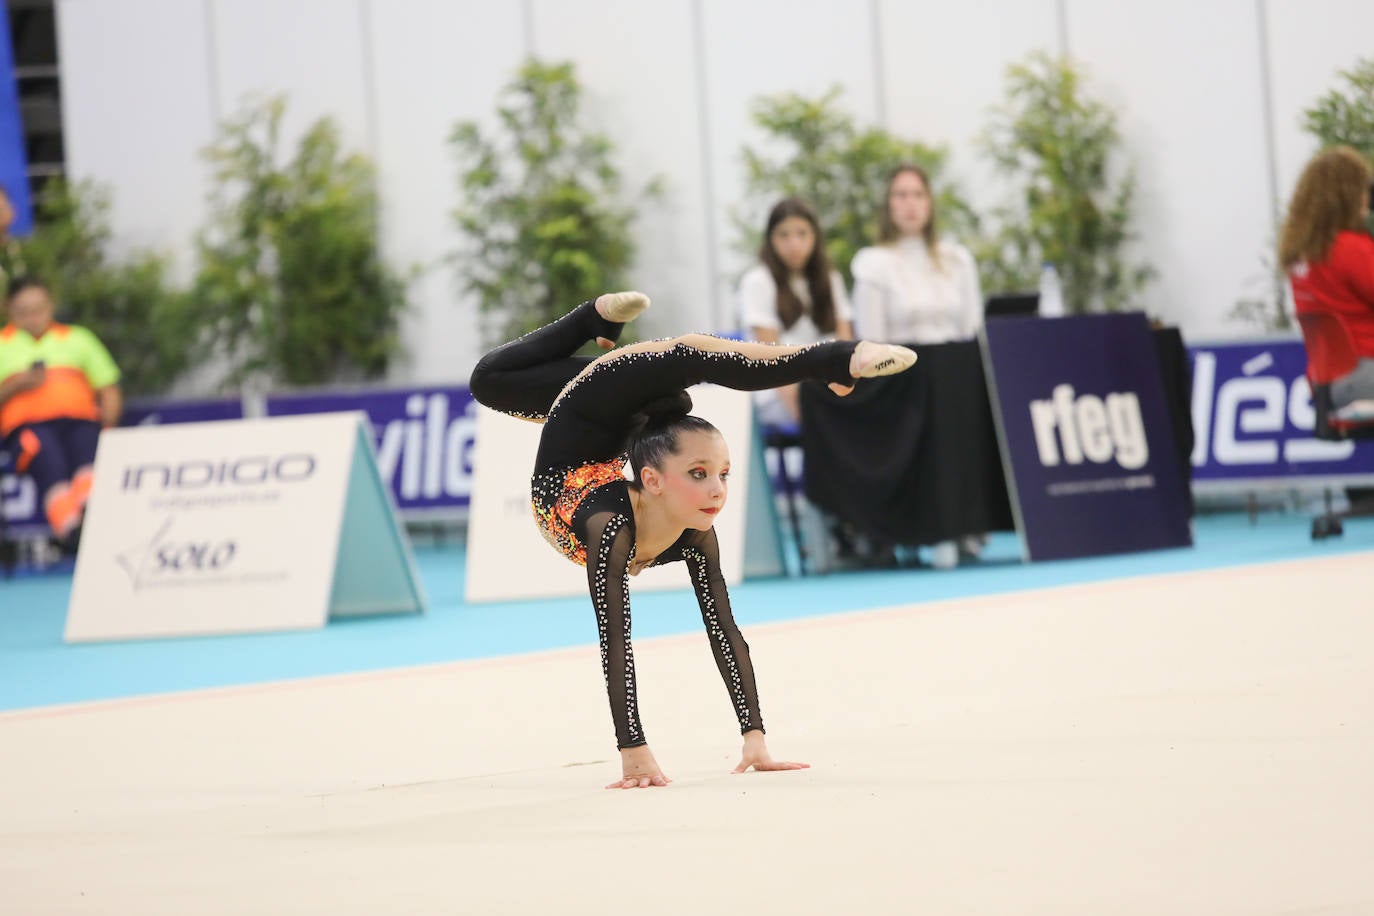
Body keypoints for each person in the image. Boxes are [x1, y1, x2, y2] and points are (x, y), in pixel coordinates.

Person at [468, 292, 915, 789]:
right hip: (589, 413)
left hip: (627, 424)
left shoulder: (694, 529)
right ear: (655, 481)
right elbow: (615, 639)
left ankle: (596, 320)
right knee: (684, 357)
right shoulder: (608, 526)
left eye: (722, 474)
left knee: (492, 382)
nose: (717, 492)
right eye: (699, 475)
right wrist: (632, 748)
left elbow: (724, 628)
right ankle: (834, 358)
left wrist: (755, 738)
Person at [851, 163, 984, 569]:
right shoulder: (873, 263)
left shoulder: (957, 259)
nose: (910, 204)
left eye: (917, 195)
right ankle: (933, 526)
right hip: (900, 382)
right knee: (931, 390)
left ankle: (969, 520)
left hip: (954, 378)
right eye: (900, 195)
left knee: (965, 384)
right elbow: (871, 341)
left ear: (930, 203)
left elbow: (971, 328)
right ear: (888, 206)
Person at [0, 277, 121, 547]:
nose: (32, 318)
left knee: (88, 454)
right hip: (26, 430)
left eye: (38, 309)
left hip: (81, 424)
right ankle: (71, 533)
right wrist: (16, 385)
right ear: (9, 310)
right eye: (23, 311)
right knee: (46, 456)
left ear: (51, 306)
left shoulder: (78, 338)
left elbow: (108, 388)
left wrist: (109, 428)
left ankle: (96, 521)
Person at [738, 197, 854, 425]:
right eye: (784, 235)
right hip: (778, 391)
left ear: (814, 237)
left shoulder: (830, 279)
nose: (794, 244)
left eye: (802, 234)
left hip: (826, 388)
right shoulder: (758, 281)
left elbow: (846, 347)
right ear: (771, 239)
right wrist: (802, 414)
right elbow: (773, 362)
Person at [1280, 145, 1374, 418]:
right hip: (1363, 376)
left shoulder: (1302, 253)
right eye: (1363, 189)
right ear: (1347, 194)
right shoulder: (1348, 249)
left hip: (1327, 382)